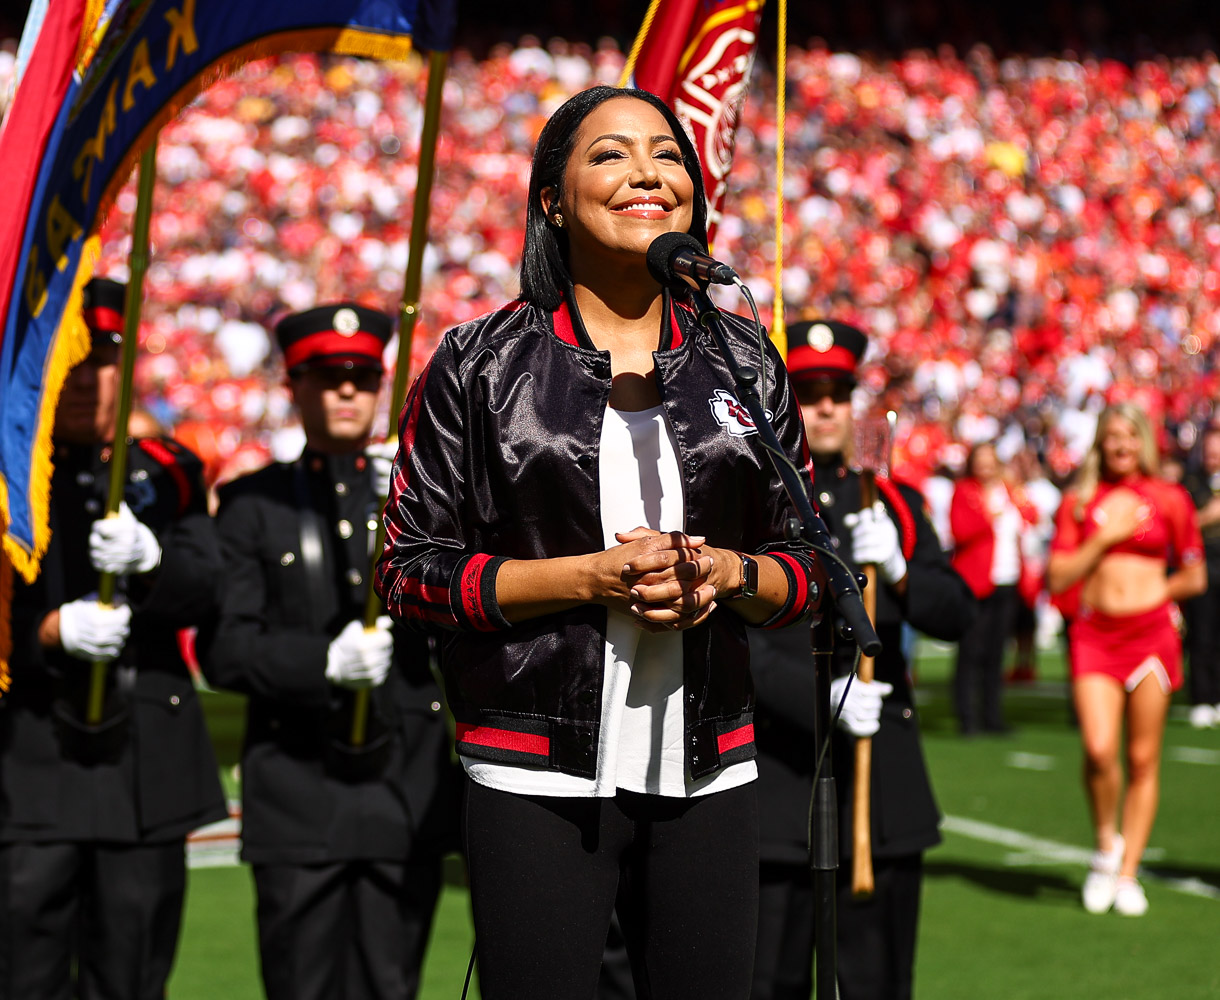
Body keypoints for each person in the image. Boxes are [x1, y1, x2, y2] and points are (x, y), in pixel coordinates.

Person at [376, 86, 819, 999]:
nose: (649, 173)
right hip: (531, 767)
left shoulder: (746, 357)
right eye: (610, 154)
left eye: (668, 154)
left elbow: (811, 567)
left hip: (714, 767)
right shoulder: (477, 361)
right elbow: (408, 570)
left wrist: (727, 573)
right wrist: (588, 578)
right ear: (551, 198)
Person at [0, 278, 227, 999]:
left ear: (126, 365)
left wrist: (151, 565)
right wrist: (43, 631)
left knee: (132, 983)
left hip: (141, 772)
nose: (84, 377)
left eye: (103, 357)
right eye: (69, 358)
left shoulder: (168, 473)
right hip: (30, 770)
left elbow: (211, 592)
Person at [201, 303, 460, 1000]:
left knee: (391, 985)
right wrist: (319, 663)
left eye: (362, 376)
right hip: (298, 791)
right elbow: (224, 650)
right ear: (294, 387)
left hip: (401, 787)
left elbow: (469, 621)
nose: (347, 391)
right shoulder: (255, 503)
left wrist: (421, 515)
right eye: (326, 376)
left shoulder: (431, 497)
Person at [748, 320, 974, 1000]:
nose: (823, 407)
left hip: (880, 797)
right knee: (768, 984)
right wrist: (825, 698)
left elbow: (957, 613)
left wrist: (903, 571)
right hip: (781, 787)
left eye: (837, 394)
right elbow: (738, 643)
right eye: (809, 391)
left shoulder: (893, 502)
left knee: (878, 985)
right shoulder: (754, 501)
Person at [1049, 403, 1206, 916]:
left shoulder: (1172, 498)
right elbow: (1058, 577)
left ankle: (1127, 872)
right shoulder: (1080, 500)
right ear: (1099, 442)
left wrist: (1158, 595)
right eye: (1111, 436)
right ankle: (1104, 847)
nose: (1120, 445)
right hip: (1096, 636)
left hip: (1152, 637)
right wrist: (1106, 535)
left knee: (1142, 759)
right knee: (1098, 750)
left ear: (1144, 440)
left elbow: (1194, 574)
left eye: (1129, 436)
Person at [949, 441, 1036, 734]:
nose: (985, 466)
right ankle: (967, 716)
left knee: (997, 651)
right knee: (971, 650)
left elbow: (1031, 517)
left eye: (990, 459)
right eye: (980, 459)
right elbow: (960, 530)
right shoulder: (965, 491)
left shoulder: (1008, 489)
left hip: (1006, 578)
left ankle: (992, 715)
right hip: (976, 582)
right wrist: (989, 517)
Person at [1180, 424, 1220, 728]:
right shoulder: (1191, 481)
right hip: (1203, 566)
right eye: (1209, 452)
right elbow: (1184, 523)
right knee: (1202, 634)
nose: (1213, 457)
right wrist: (1210, 514)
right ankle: (1202, 697)